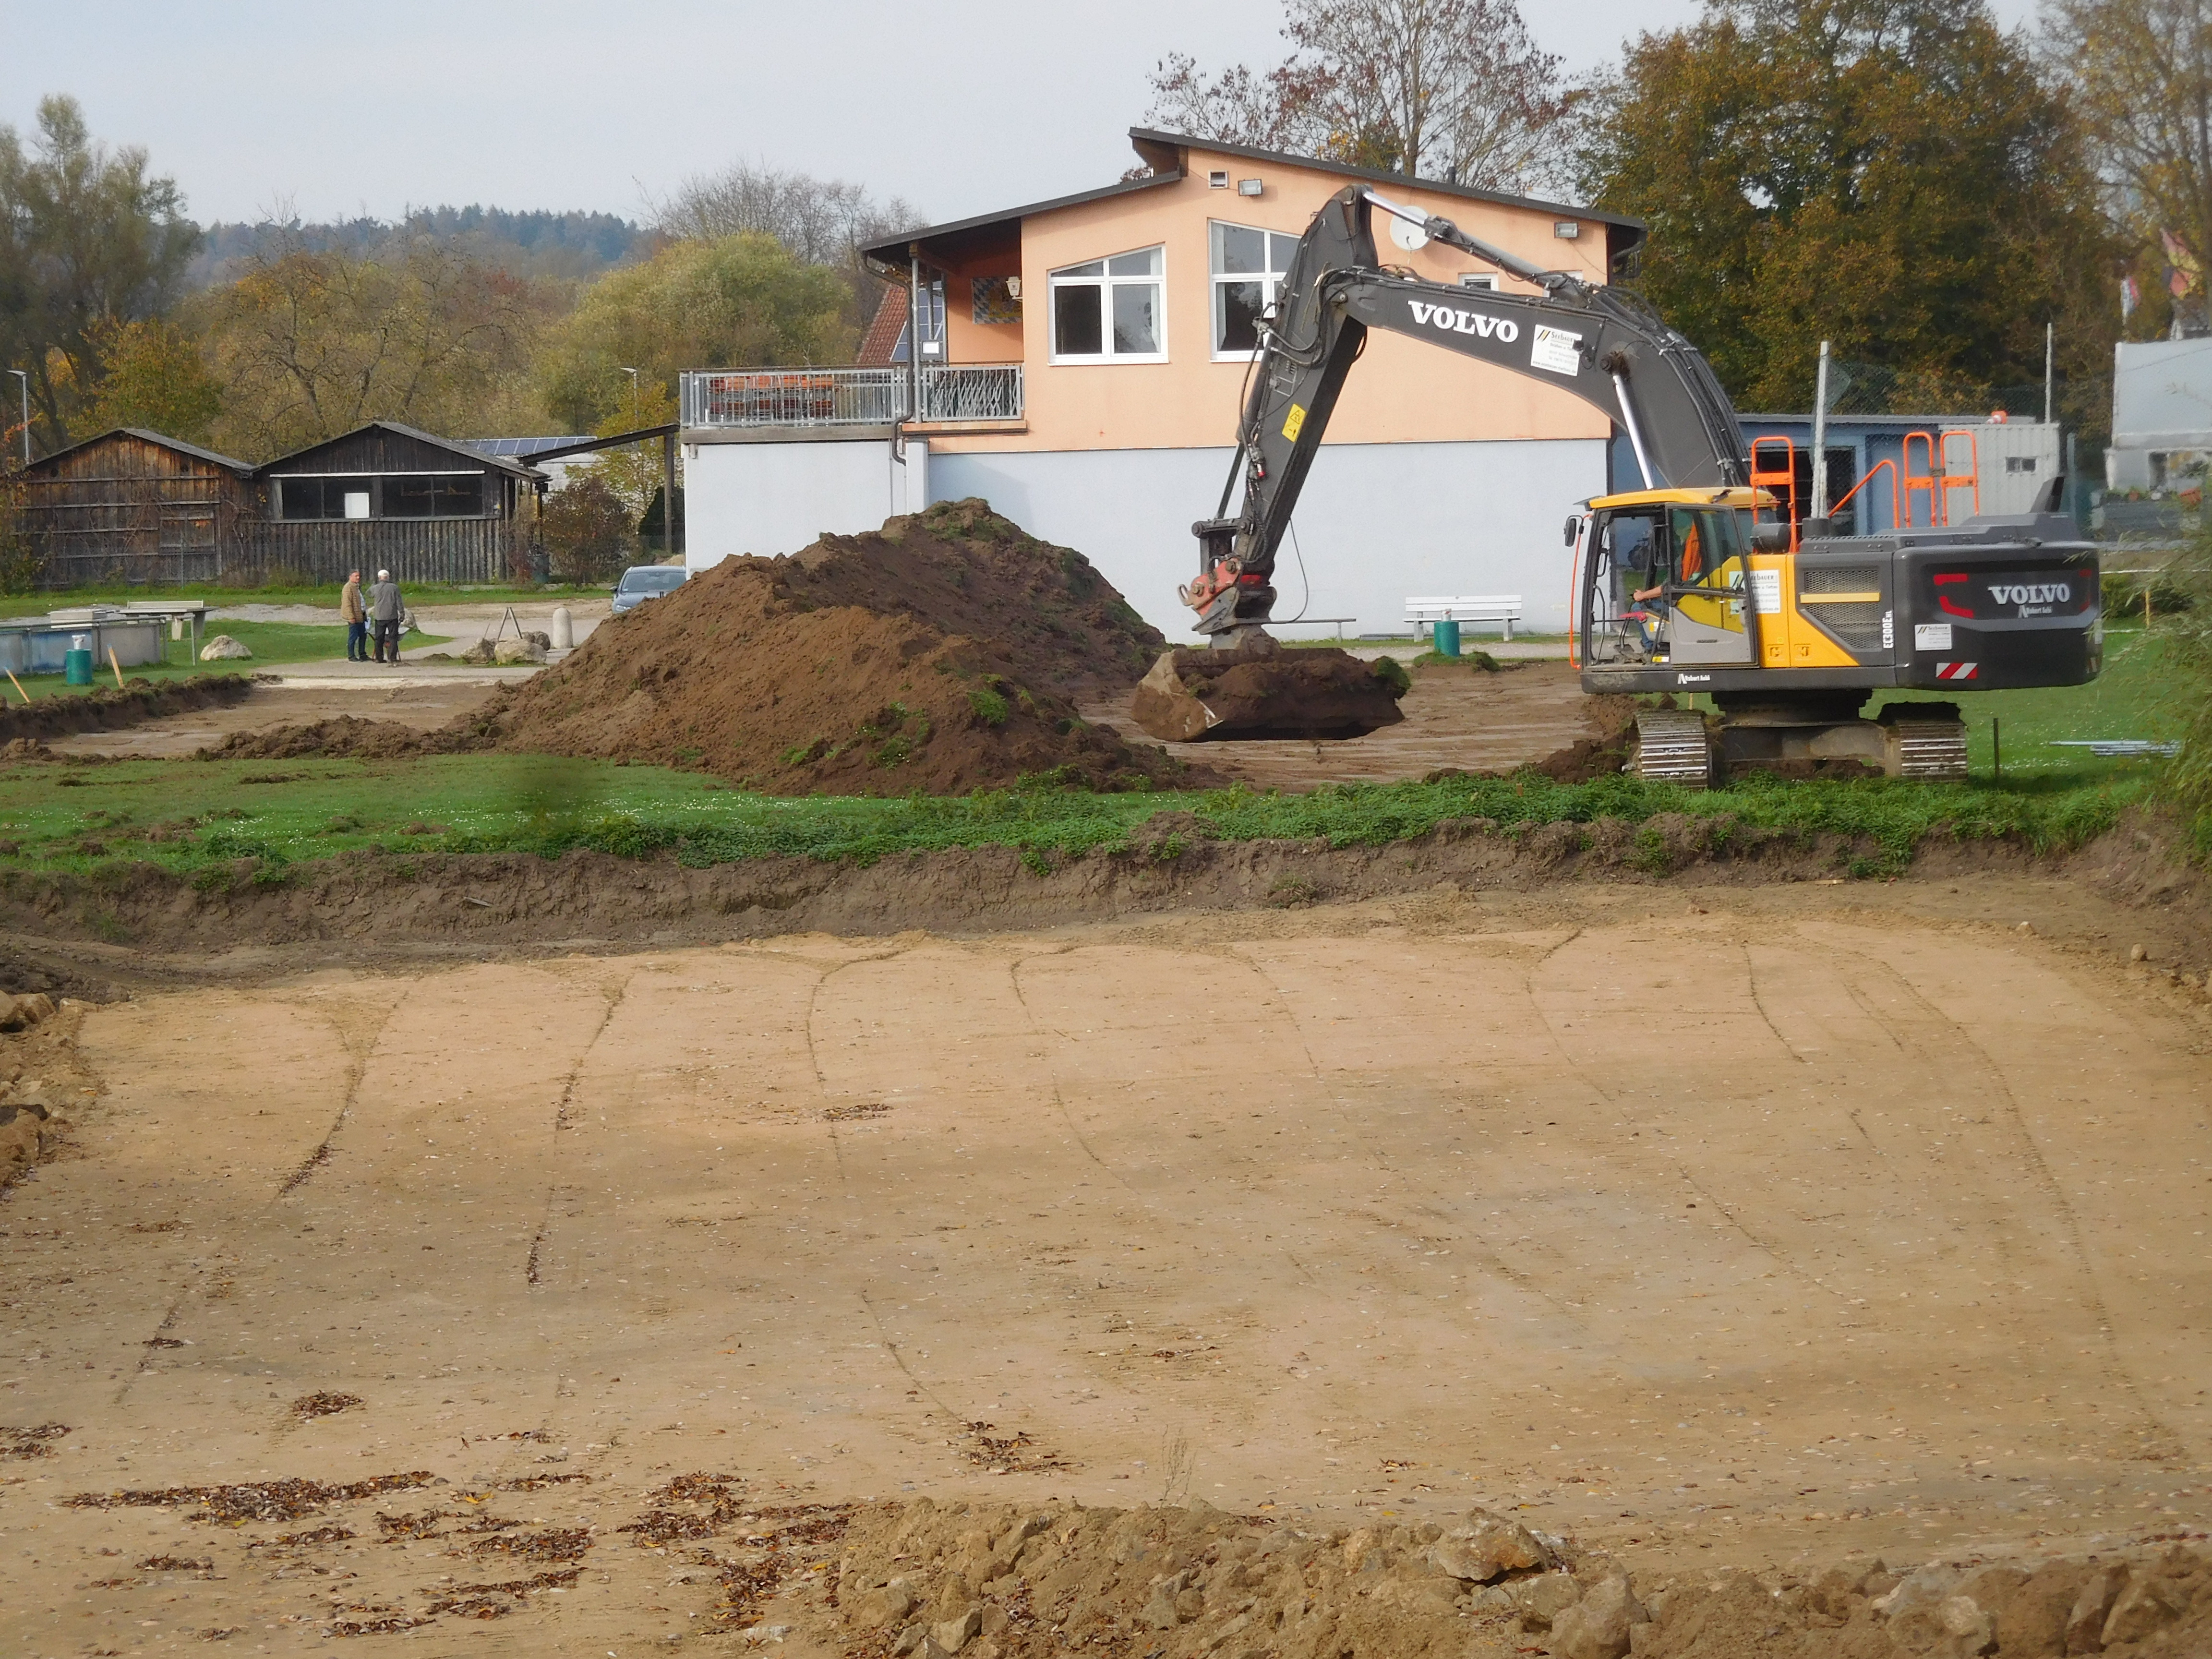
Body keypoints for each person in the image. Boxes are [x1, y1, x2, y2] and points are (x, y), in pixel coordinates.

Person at [368, 568, 403, 665]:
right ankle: (392, 658)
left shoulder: (375, 588)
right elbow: (399, 602)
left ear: (379, 578)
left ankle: (379, 658)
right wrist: (402, 613)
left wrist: (373, 585)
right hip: (392, 616)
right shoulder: (394, 588)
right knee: (393, 637)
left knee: (379, 638)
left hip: (379, 616)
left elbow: (369, 594)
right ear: (388, 578)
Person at [339, 570, 368, 661]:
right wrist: (351, 616)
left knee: (363, 635)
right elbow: (347, 603)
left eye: (359, 576)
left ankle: (362, 654)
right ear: (350, 577)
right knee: (353, 636)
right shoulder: (348, 588)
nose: (358, 578)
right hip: (354, 616)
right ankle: (351, 655)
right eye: (356, 576)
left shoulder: (357, 587)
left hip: (361, 615)